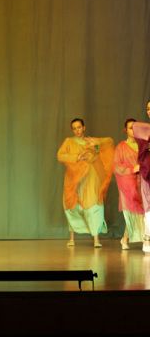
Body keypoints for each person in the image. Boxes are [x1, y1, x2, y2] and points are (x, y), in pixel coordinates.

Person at [57, 118, 114, 248]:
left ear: (84, 127)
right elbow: (60, 155)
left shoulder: (92, 141)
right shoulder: (69, 141)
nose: (77, 130)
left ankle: (96, 239)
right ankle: (72, 238)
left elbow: (107, 144)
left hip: (91, 178)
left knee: (94, 206)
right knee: (72, 206)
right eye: (74, 128)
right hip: (74, 179)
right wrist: (76, 157)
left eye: (79, 127)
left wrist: (97, 145)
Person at [113, 118, 144, 250]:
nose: (133, 130)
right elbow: (116, 167)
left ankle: (125, 238)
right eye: (130, 128)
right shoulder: (121, 147)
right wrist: (132, 169)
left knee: (141, 211)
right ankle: (144, 240)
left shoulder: (143, 145)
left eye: (135, 127)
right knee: (133, 211)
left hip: (143, 181)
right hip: (128, 184)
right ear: (125, 130)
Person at [132, 100, 150, 253]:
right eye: (148, 108)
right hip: (147, 170)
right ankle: (147, 239)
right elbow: (135, 126)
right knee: (148, 206)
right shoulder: (143, 130)